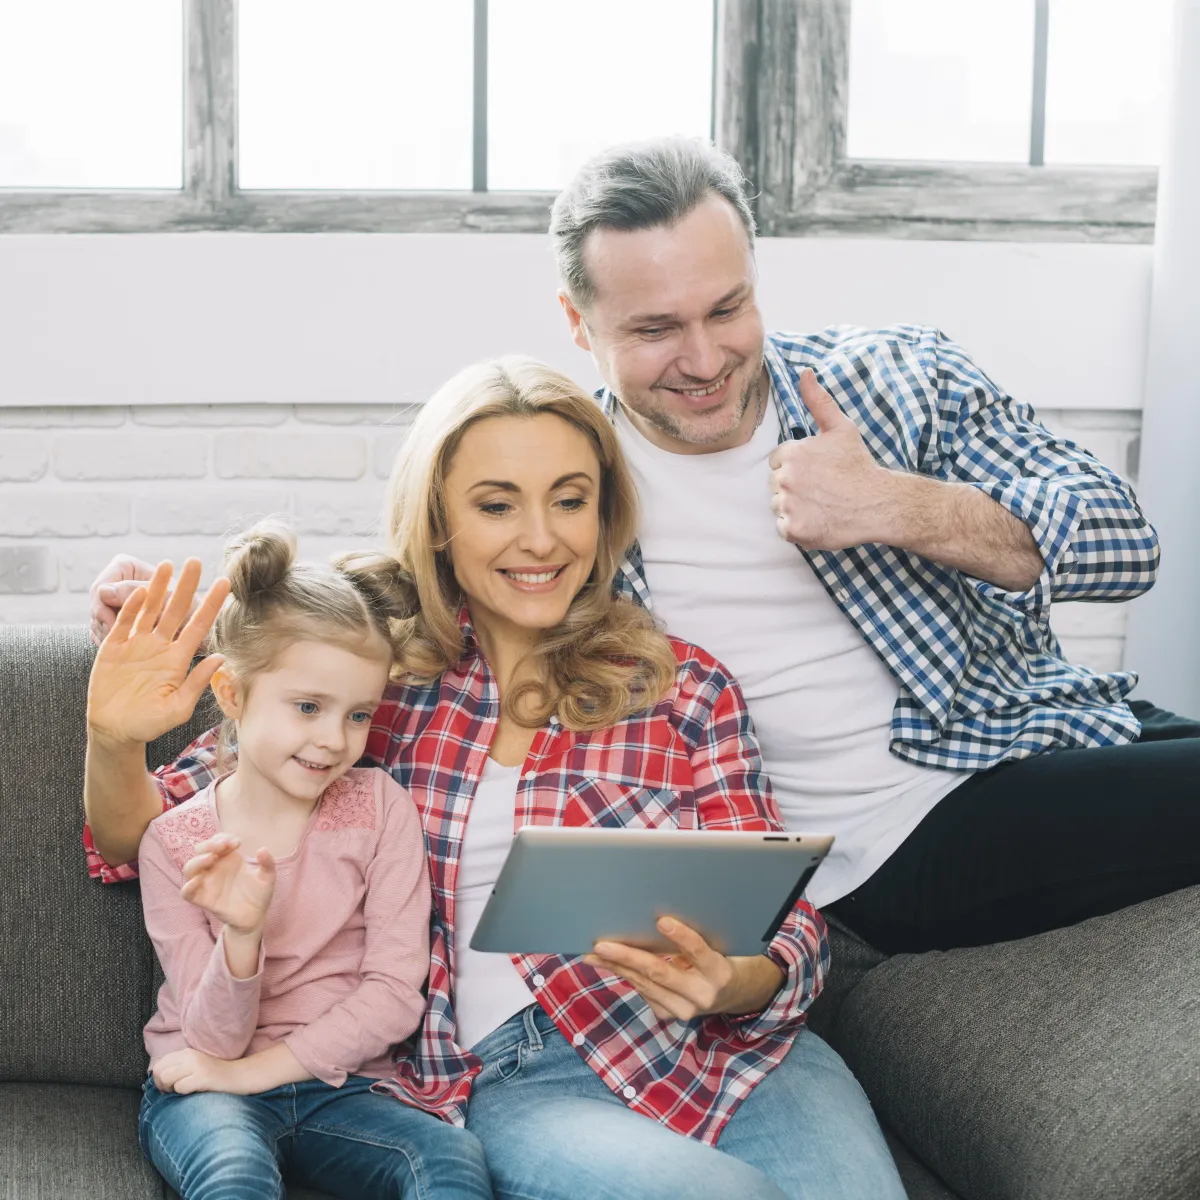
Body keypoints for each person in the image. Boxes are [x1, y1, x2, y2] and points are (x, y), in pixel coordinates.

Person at [83, 358, 906, 1200]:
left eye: (570, 500)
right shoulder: (379, 685)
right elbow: (146, 834)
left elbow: (785, 919)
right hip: (523, 1078)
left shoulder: (684, 686)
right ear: (439, 522)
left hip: (741, 1056)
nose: (542, 539)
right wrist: (113, 734)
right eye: (498, 505)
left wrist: (738, 979)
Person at [91, 524, 493, 1199]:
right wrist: (242, 936)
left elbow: (394, 995)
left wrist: (257, 1071)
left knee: (449, 1162)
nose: (334, 740)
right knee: (236, 1174)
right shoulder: (173, 842)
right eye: (308, 707)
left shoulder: (379, 809)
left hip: (346, 1087)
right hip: (207, 1088)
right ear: (233, 695)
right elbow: (213, 1044)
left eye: (358, 715)